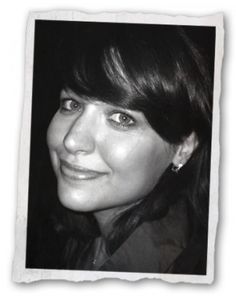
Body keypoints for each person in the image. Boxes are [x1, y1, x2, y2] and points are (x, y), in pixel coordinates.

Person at [44, 22, 213, 274]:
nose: (72, 140)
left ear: (183, 148)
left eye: (122, 118)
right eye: (71, 104)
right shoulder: (81, 237)